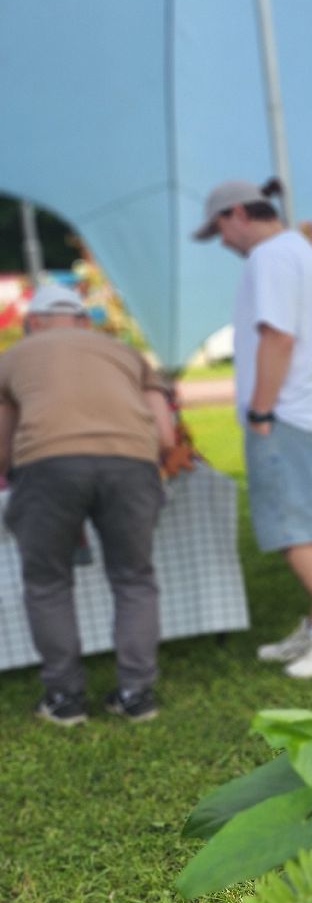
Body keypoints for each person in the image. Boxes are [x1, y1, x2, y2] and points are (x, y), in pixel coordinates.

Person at [198, 177, 312, 678]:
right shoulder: (305, 254)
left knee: (292, 529)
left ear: (237, 214)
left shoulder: (268, 258)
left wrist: (260, 410)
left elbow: (277, 337)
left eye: (219, 229)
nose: (222, 242)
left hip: (287, 413)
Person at [0, 283, 175, 725]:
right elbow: (166, 435)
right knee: (134, 579)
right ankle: (136, 694)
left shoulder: (12, 358)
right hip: (131, 464)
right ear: (84, 321)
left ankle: (64, 698)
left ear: (32, 323)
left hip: (47, 466)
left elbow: (2, 442)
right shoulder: (126, 354)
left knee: (48, 583)